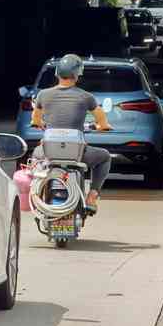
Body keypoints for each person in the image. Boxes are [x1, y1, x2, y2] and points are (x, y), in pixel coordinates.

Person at [30, 54, 113, 213]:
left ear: (57, 73)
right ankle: (92, 197)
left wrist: (40, 125)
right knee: (105, 157)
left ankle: (37, 194)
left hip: (50, 152)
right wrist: (102, 126)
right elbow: (102, 121)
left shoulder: (43, 95)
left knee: (35, 157)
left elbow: (35, 119)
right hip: (77, 153)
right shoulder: (86, 97)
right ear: (77, 75)